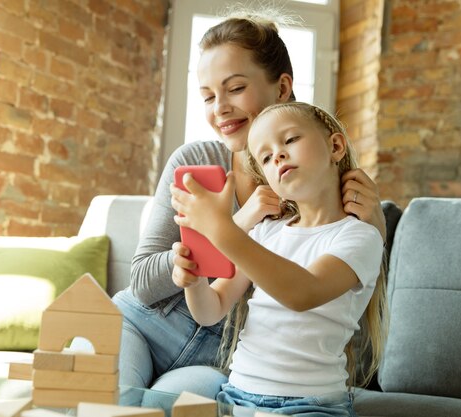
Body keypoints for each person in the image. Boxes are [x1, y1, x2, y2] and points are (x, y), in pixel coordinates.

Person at [103, 9, 387, 397]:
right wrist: (219, 235)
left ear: (282, 87)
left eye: (235, 88)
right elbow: (141, 284)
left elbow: (335, 312)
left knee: (169, 406)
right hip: (143, 324)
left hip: (218, 362)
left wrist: (379, 229)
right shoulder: (194, 163)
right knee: (105, 397)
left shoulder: (312, 187)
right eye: (207, 96)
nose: (219, 107)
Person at [170, 101, 387, 416]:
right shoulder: (265, 234)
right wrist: (194, 281)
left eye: (290, 140)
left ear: (335, 146)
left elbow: (302, 292)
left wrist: (220, 229)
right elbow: (210, 310)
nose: (279, 156)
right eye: (267, 158)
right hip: (238, 394)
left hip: (311, 406)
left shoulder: (360, 237)